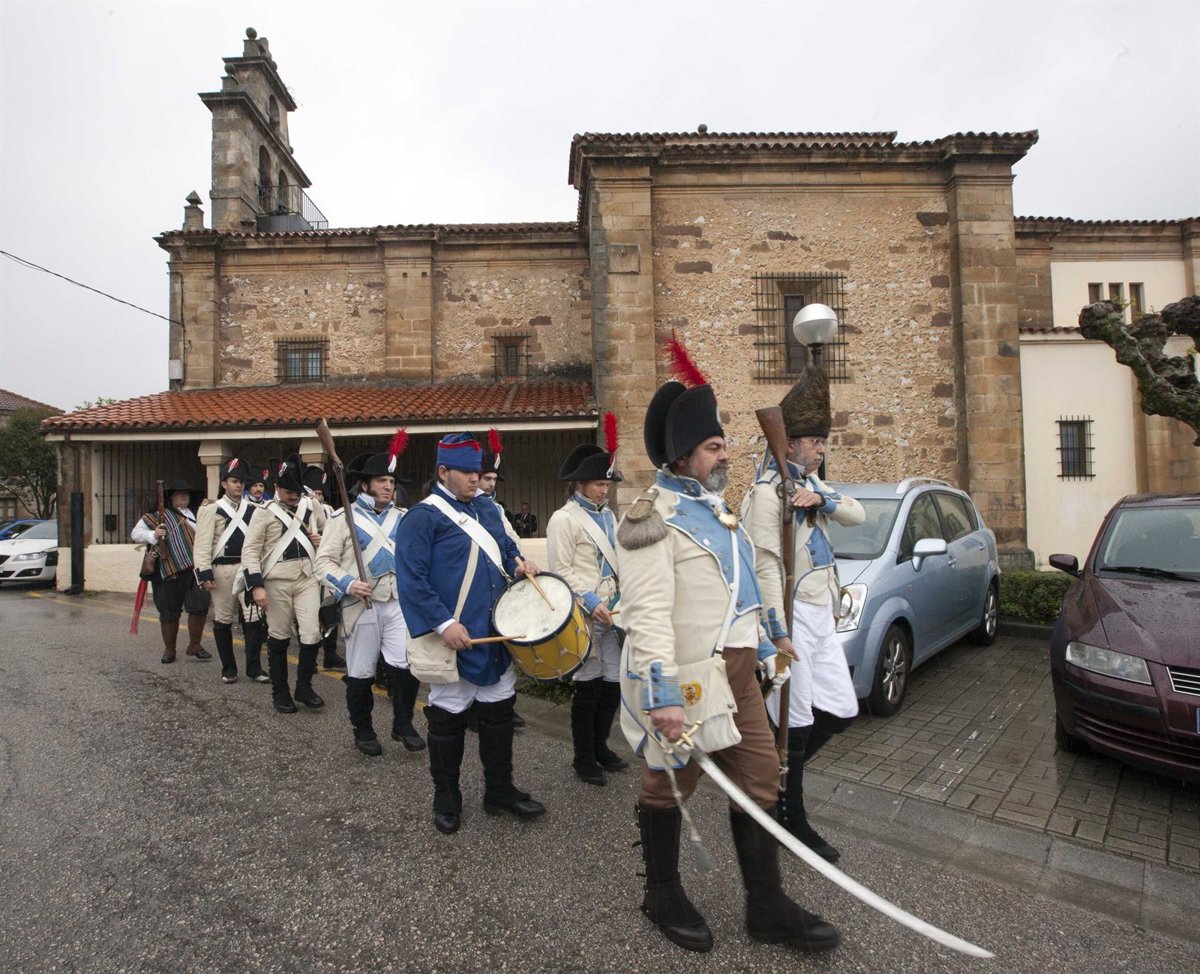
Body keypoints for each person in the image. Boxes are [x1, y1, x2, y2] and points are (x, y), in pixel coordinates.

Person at [616, 340, 840, 955]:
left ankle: (766, 905)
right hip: (691, 678)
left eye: (723, 444)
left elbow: (741, 593)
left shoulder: (719, 513)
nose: (726, 455)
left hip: (741, 674)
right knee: (669, 785)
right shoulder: (649, 516)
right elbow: (646, 616)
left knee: (763, 779)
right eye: (714, 446)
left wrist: (770, 644)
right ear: (684, 455)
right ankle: (661, 893)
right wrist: (662, 693)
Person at [395, 432, 545, 835]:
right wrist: (444, 624)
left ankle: (499, 790)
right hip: (456, 636)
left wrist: (519, 563)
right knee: (448, 719)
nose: (475, 479)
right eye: (466, 472)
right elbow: (412, 580)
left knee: (499, 714)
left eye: (478, 471)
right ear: (444, 471)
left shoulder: (487, 509)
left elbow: (505, 549)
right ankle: (446, 796)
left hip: (493, 632)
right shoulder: (422, 518)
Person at [742, 367, 863, 862]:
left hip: (820, 615)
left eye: (822, 442)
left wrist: (822, 497)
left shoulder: (813, 484)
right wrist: (777, 632)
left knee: (841, 710)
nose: (821, 450)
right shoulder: (765, 494)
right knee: (796, 719)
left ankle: (773, 776)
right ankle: (790, 814)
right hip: (791, 621)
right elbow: (765, 567)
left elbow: (857, 514)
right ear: (788, 444)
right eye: (814, 442)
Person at [315, 440, 425, 757]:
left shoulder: (404, 518)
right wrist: (349, 583)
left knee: (405, 665)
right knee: (361, 671)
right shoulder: (343, 518)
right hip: (361, 604)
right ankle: (362, 729)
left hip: (398, 602)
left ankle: (403, 724)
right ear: (365, 485)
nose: (389, 486)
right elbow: (323, 563)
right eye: (381, 481)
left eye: (391, 481)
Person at [545, 420, 628, 785]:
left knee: (613, 681)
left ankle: (601, 746)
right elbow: (561, 570)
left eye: (606, 485)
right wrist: (591, 600)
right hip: (584, 612)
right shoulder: (563, 519)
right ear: (579, 484)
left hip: (613, 611)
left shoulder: (609, 515)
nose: (604, 490)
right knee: (589, 684)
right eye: (598, 484)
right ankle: (583, 757)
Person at [241, 455, 327, 714]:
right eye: (288, 492)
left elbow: (331, 533)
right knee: (278, 636)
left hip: (307, 578)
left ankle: (304, 687)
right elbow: (250, 551)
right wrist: (256, 586)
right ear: (277, 488)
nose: (293, 497)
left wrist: (321, 538)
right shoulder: (264, 513)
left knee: (311, 634)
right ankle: (280, 692)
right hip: (276, 580)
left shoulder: (311, 505)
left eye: (297, 492)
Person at [194, 458, 269, 684]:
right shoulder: (211, 509)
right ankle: (228, 668)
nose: (239, 485)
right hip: (222, 569)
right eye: (234, 481)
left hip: (247, 568)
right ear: (224, 484)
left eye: (241, 482)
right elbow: (202, 544)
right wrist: (204, 573)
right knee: (223, 619)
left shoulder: (255, 510)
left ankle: (254, 667)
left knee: (254, 618)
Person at [131, 479, 211, 665]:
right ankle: (170, 649)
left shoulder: (198, 515)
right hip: (167, 568)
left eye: (186, 494)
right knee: (168, 610)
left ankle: (195, 645)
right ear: (171, 498)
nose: (183, 496)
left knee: (199, 606)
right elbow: (135, 534)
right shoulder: (156, 517)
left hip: (195, 568)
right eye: (179, 494)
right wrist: (153, 534)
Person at [305, 463, 348, 671]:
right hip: (308, 569)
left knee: (331, 610)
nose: (317, 496)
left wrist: (321, 541)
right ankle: (311, 657)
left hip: (328, 566)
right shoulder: (302, 510)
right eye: (314, 492)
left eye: (320, 493)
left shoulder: (331, 511)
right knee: (311, 616)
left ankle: (330, 654)